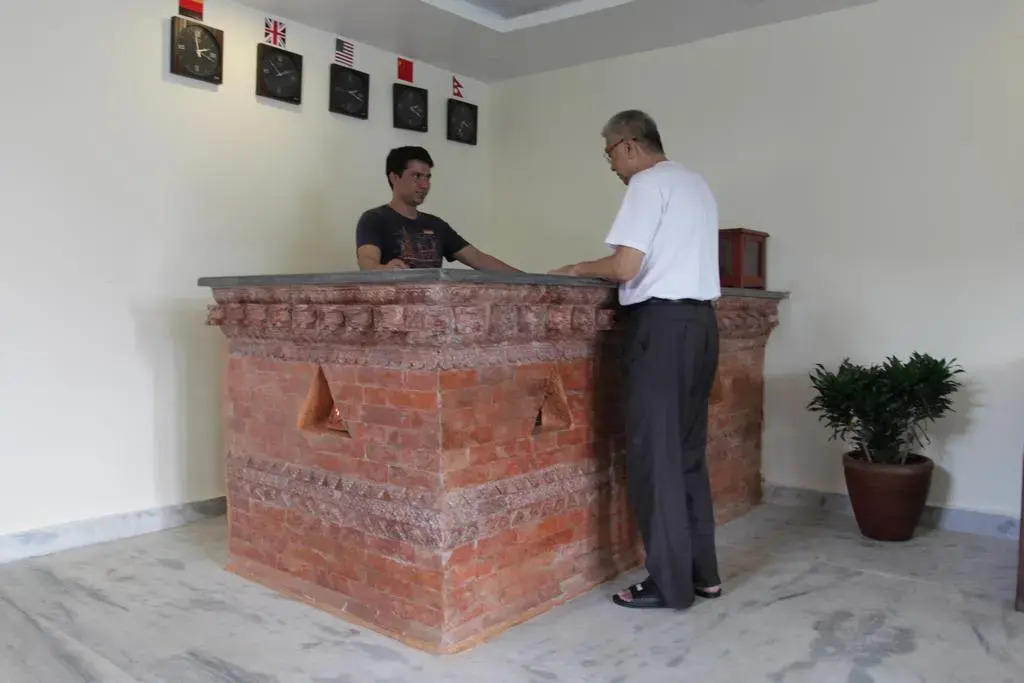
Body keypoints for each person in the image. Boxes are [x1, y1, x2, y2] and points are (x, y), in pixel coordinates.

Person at [550, 110, 723, 610]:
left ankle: (670, 585)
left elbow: (627, 266)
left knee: (655, 459)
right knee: (687, 456)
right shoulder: (695, 183)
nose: (611, 165)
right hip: (701, 326)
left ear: (628, 145)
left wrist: (576, 268)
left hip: (661, 329)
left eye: (609, 153)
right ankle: (703, 576)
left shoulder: (648, 183)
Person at [356, 146, 519, 272]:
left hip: (434, 305)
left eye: (427, 177)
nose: (424, 185)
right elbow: (367, 263)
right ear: (394, 177)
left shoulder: (436, 225)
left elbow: (478, 259)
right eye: (416, 176)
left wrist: (528, 280)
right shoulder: (374, 219)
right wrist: (385, 270)